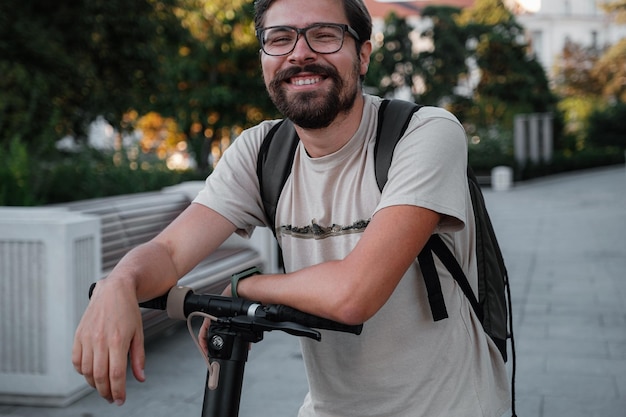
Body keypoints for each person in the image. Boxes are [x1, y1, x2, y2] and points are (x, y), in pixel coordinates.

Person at [72, 0, 511, 415]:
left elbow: (354, 295)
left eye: (324, 35)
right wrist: (121, 283)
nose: (299, 54)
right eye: (280, 38)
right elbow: (169, 252)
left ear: (363, 55)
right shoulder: (261, 152)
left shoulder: (425, 132)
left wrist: (244, 287)